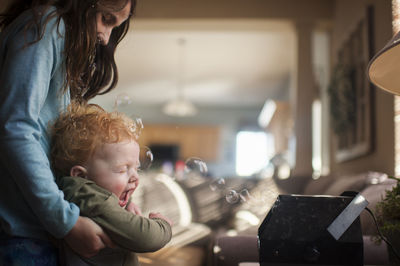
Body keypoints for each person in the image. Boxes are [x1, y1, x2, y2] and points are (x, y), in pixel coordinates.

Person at [0, 0, 136, 264]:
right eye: (106, 19)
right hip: (20, 233)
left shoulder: (60, 38)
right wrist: (67, 223)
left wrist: (112, 211)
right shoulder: (49, 24)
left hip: (36, 230)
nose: (105, 38)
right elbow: (16, 129)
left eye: (114, 28)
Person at [50, 102, 173, 266]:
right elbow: (146, 238)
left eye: (136, 168)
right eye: (123, 169)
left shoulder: (81, 194)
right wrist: (163, 225)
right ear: (80, 176)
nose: (135, 177)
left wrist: (127, 202)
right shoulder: (92, 198)